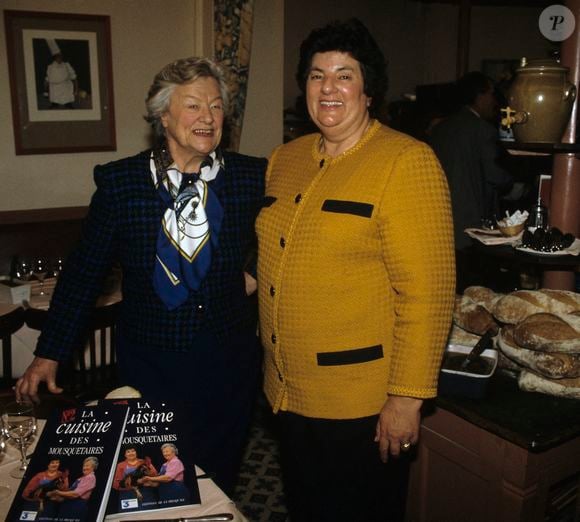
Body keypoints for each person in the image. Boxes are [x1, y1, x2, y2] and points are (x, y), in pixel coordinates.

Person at [16, 57, 267, 494]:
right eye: (193, 106)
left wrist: (253, 272)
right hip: (152, 362)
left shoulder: (250, 177)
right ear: (163, 116)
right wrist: (49, 353)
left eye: (216, 106)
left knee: (219, 474)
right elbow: (82, 274)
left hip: (229, 359)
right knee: (157, 474)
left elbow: (293, 237)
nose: (207, 117)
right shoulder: (121, 184)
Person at [256, 18, 455, 522]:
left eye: (344, 74)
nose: (328, 87)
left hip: (359, 403)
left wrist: (406, 400)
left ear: (368, 90)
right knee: (306, 505)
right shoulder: (286, 157)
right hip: (285, 389)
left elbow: (428, 295)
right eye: (317, 74)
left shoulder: (406, 161)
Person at [429, 71, 514, 291]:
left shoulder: (440, 128)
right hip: (471, 229)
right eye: (491, 94)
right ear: (480, 95)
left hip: (438, 225)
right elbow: (497, 176)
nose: (494, 101)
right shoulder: (483, 130)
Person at [47, 456, 98, 521]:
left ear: (93, 467)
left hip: (76, 508)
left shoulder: (90, 477)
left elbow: (75, 494)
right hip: (68, 507)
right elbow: (69, 492)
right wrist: (61, 490)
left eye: (87, 466)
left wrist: (57, 492)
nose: (84, 468)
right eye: (84, 466)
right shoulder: (81, 478)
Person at [112, 445, 157, 510]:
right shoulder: (120, 465)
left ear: (136, 452)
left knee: (149, 515)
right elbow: (116, 484)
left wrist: (147, 480)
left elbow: (155, 474)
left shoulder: (143, 462)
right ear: (125, 454)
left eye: (133, 451)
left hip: (146, 493)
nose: (131, 453)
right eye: (128, 452)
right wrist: (132, 487)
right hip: (128, 494)